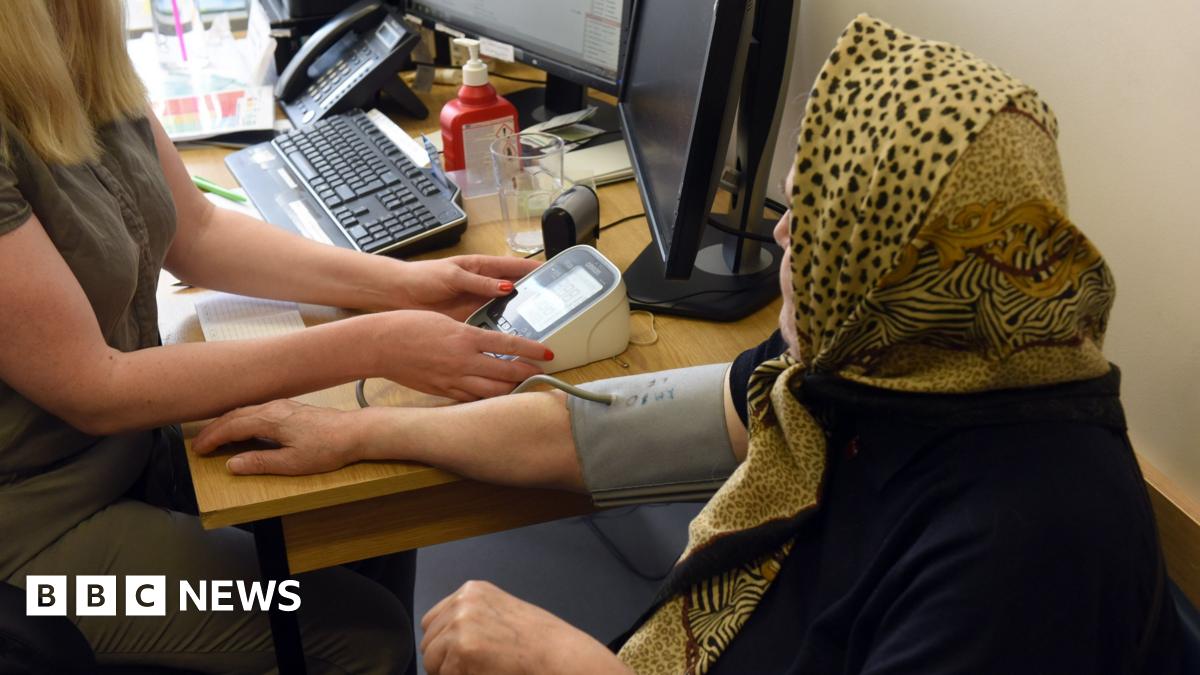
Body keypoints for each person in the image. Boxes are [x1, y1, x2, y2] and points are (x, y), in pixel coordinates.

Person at [195, 15, 1182, 675]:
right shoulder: (889, 366)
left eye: (822, 215)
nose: (787, 232)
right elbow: (609, 433)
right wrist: (364, 437)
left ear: (905, 264)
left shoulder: (1031, 545)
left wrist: (563, 661)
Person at [0, 1, 551, 672]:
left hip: (129, 455)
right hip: (35, 539)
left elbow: (196, 231)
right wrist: (376, 343)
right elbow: (96, 386)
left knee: (368, 513)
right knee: (362, 633)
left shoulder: (75, 41)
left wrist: (403, 283)